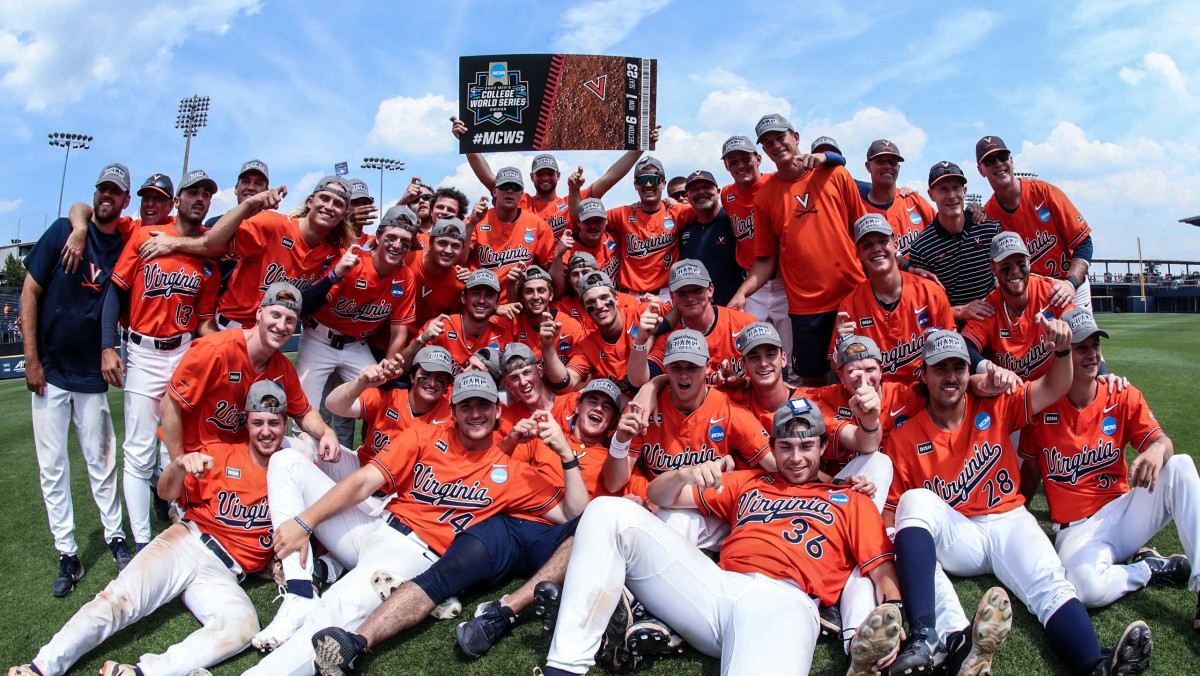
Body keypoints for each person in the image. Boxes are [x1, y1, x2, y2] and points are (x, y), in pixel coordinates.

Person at [242, 372, 587, 675]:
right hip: (376, 525)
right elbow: (364, 482)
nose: (476, 413)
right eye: (466, 406)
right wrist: (306, 522)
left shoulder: (512, 474)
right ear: (453, 413)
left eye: (484, 405)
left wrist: (566, 455)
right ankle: (300, 591)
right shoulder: (424, 436)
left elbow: (576, 513)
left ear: (498, 411)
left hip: (411, 555)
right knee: (287, 460)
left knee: (332, 613)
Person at [539, 398, 905, 676]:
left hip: (785, 602)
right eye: (786, 447)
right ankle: (565, 667)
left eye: (806, 446)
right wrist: (684, 475)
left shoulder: (850, 498)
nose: (795, 458)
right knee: (607, 511)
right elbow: (659, 497)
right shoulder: (750, 481)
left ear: (823, 448)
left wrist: (895, 614)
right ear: (773, 448)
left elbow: (880, 570)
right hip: (715, 589)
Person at [886, 329, 1153, 676]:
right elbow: (894, 510)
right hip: (959, 536)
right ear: (923, 373)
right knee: (914, 501)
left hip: (1008, 519)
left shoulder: (996, 404)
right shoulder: (905, 436)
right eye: (941, 368)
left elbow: (1053, 387)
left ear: (970, 373)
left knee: (1051, 586)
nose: (951, 377)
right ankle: (924, 638)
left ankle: (1095, 665)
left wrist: (1060, 353)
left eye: (958, 367)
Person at [8, 382, 292, 676]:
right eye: (258, 422)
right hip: (187, 543)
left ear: (286, 423)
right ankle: (41, 667)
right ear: (246, 421)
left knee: (243, 625)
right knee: (120, 599)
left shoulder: (291, 468)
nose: (266, 430)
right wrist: (179, 466)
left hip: (225, 575)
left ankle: (142, 672)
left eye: (274, 422)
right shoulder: (221, 453)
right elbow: (167, 492)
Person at [1019, 309, 1197, 609]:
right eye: (1081, 348)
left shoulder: (1120, 393)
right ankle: (1148, 569)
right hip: (1075, 529)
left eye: (1095, 346)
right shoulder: (1041, 404)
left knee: (1180, 465)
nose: (1092, 355)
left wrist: (1156, 449)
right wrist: (1018, 517)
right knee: (1085, 590)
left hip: (1123, 512)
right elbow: (1031, 470)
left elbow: (1163, 442)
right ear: (1062, 353)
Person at [24, 163, 134, 597]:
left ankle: (116, 538)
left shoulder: (126, 242)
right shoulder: (63, 230)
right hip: (50, 370)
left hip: (91, 372)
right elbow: (30, 291)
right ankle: (68, 554)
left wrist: (81, 221)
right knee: (53, 469)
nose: (108, 195)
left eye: (116, 191)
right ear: (97, 194)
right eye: (102, 189)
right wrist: (32, 360)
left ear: (125, 201)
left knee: (102, 461)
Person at [106, 169, 222, 551]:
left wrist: (231, 342)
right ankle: (141, 543)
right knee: (138, 451)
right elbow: (115, 291)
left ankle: (187, 522)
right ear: (179, 200)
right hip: (142, 351)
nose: (200, 198)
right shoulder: (145, 235)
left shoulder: (208, 262)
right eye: (193, 192)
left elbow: (204, 324)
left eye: (207, 193)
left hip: (184, 352)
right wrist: (109, 345)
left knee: (185, 444)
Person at [139, 178, 354, 329]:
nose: (329, 206)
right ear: (310, 202)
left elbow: (306, 302)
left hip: (272, 334)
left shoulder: (332, 253)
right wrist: (251, 203)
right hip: (234, 326)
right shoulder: (273, 224)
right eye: (324, 199)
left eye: (337, 204)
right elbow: (213, 243)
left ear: (344, 214)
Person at [751, 113, 868, 385]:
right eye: (767, 143)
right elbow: (766, 257)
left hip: (851, 294)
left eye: (780, 137)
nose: (775, 145)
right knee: (812, 380)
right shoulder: (765, 196)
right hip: (806, 306)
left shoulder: (835, 173)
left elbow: (862, 231)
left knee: (862, 370)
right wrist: (741, 294)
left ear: (796, 137)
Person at [161, 283, 338, 462]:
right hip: (198, 453)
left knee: (304, 451)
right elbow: (170, 405)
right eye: (275, 315)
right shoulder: (215, 350)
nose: (281, 325)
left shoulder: (282, 368)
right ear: (259, 313)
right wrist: (180, 460)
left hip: (240, 452)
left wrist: (326, 431)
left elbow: (303, 412)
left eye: (290, 320)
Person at [295, 205, 419, 448]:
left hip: (355, 345)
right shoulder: (354, 261)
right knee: (304, 406)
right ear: (378, 236)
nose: (397, 245)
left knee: (383, 399)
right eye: (391, 237)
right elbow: (312, 299)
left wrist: (389, 364)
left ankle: (374, 457)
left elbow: (399, 330)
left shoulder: (405, 277)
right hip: (319, 337)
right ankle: (303, 460)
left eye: (404, 241)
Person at [451, 117, 646, 239]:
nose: (545, 178)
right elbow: (488, 177)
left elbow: (610, 178)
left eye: (549, 173)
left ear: (558, 176)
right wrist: (467, 142)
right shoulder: (521, 200)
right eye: (540, 174)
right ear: (531, 177)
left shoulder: (572, 199)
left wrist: (640, 147)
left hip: (563, 268)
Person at [834, 213, 954, 384]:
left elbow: (952, 355)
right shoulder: (850, 305)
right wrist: (841, 347)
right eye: (868, 245)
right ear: (859, 253)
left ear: (895, 244)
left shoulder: (931, 292)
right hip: (878, 398)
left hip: (927, 393)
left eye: (883, 241)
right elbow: (837, 368)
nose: (876, 249)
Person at [977, 136, 1094, 308]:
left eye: (1002, 157)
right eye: (989, 160)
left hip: (1071, 286)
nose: (998, 163)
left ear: (1011, 160)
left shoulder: (1045, 193)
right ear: (981, 170)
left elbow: (1084, 243)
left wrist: (1070, 284)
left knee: (1086, 335)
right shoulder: (988, 216)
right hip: (1034, 297)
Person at [961, 231, 1075, 381]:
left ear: (1029, 263)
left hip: (1055, 388)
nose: (1015, 271)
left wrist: (1102, 373)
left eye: (1020, 264)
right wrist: (990, 368)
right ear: (993, 269)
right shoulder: (988, 306)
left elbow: (1084, 333)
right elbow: (966, 347)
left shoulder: (1051, 292)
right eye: (1006, 266)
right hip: (1012, 393)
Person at [628, 260, 756, 388]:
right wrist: (640, 341)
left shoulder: (744, 324)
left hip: (742, 405)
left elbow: (771, 381)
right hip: (696, 407)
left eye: (697, 290)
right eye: (682, 293)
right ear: (672, 297)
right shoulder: (670, 338)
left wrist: (743, 383)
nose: (690, 298)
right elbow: (639, 381)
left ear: (710, 290)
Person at [720, 135, 792, 359]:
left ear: (759, 158)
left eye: (745, 159)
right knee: (750, 347)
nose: (740, 165)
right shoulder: (727, 194)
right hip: (753, 285)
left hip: (785, 282)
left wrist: (899, 191)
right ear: (726, 166)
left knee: (788, 352)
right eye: (733, 162)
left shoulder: (777, 182)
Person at [325, 346, 455, 469]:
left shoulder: (450, 416)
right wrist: (360, 383)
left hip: (405, 487)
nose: (432, 383)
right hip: (361, 468)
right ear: (412, 377)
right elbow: (333, 405)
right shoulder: (389, 398)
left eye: (439, 379)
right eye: (425, 375)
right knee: (308, 445)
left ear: (446, 385)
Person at [906, 162, 1002, 326]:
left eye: (956, 188)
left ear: (964, 192)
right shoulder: (921, 247)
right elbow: (922, 308)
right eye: (943, 189)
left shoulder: (989, 229)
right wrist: (961, 311)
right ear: (931, 194)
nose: (951, 195)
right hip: (953, 329)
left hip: (993, 321)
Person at [552, 270, 664, 395]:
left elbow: (677, 312)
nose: (599, 306)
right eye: (591, 302)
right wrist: (548, 349)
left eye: (604, 298)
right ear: (584, 309)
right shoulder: (587, 346)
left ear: (616, 298)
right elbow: (566, 383)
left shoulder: (641, 313)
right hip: (619, 407)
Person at [602, 156, 694, 297]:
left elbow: (713, 210)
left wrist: (678, 202)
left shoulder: (677, 211)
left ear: (663, 183)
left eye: (654, 179)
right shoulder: (622, 214)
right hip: (631, 296)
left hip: (667, 295)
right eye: (643, 180)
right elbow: (585, 218)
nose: (649, 185)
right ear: (636, 185)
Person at [466, 166, 556, 303]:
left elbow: (549, 271)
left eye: (515, 187)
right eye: (504, 186)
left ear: (522, 193)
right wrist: (471, 223)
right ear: (495, 191)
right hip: (482, 303)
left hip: (520, 306)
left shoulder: (538, 225)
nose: (509, 191)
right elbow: (459, 259)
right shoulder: (476, 219)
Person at [401, 268, 512, 374]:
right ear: (463, 298)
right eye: (476, 293)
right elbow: (402, 369)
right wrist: (421, 340)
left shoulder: (502, 337)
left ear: (497, 303)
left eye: (489, 295)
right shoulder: (441, 326)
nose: (482, 300)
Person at [858, 140, 936, 256]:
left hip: (922, 274)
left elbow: (945, 228)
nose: (887, 166)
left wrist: (971, 212)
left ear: (898, 167)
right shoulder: (859, 209)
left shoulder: (913, 200)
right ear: (868, 166)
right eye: (881, 162)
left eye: (892, 162)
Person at [677, 170, 742, 306]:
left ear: (718, 192)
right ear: (687, 197)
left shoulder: (734, 222)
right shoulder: (684, 231)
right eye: (695, 189)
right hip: (700, 312)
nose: (701, 192)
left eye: (707, 187)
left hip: (735, 307)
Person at [496, 265, 585, 362]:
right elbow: (482, 325)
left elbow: (584, 369)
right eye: (529, 291)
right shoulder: (512, 322)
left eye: (541, 290)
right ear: (521, 297)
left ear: (550, 295)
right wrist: (495, 309)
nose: (536, 296)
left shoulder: (571, 326)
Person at [410, 217, 467, 328]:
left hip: (426, 342)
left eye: (455, 246)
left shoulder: (459, 285)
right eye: (442, 243)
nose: (448, 250)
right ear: (431, 243)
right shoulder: (408, 260)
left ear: (462, 249)